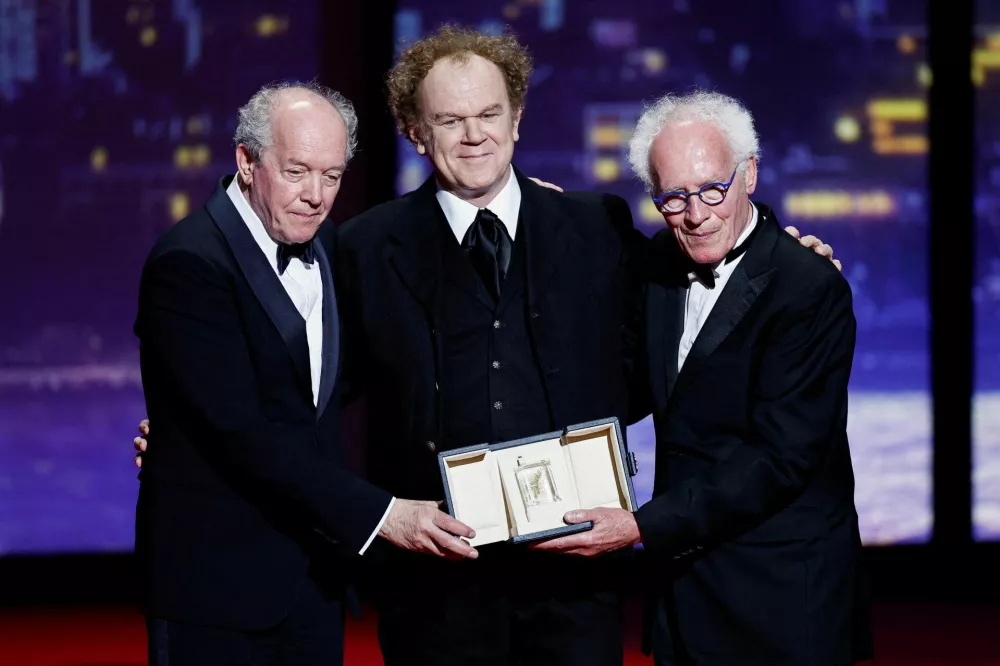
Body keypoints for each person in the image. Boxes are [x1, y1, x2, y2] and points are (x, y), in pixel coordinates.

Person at [132, 28, 841, 666]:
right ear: (415, 131)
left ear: (517, 119)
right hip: (433, 593)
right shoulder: (362, 247)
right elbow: (313, 384)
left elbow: (697, 275)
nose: (473, 136)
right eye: (449, 119)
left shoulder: (596, 225)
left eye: (488, 115)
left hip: (576, 585)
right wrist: (186, 432)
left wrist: (787, 251)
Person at [133, 81, 477, 666]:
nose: (316, 195)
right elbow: (240, 433)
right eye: (297, 172)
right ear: (246, 162)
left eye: (332, 175)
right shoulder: (188, 263)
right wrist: (383, 514)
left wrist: (508, 197)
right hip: (217, 591)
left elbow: (332, 381)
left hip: (312, 581)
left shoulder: (326, 246)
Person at [532, 90, 872, 665]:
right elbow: (623, 382)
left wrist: (640, 525)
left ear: (751, 175)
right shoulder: (660, 267)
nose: (696, 213)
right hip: (684, 594)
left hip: (783, 593)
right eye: (673, 197)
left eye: (713, 189)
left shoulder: (808, 287)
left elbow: (780, 457)